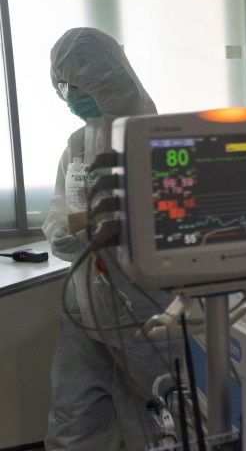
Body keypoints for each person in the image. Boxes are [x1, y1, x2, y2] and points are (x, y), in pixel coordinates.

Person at [42, 27, 181, 451]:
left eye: (78, 85)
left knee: (159, 422)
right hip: (85, 307)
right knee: (73, 421)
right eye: (63, 86)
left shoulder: (159, 138)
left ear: (109, 80)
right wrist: (62, 232)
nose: (70, 96)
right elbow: (61, 205)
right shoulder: (79, 143)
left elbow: (177, 226)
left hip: (144, 309)